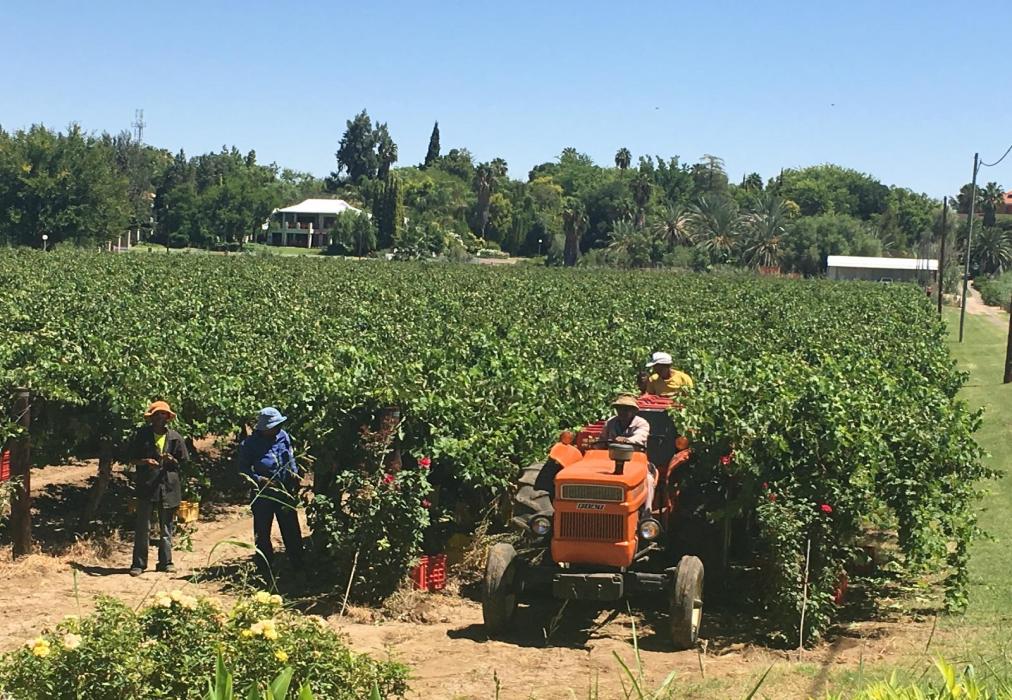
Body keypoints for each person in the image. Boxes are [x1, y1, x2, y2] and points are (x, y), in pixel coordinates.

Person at [237, 407, 304, 574]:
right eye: (274, 426)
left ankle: (299, 566)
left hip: (284, 491)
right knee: (262, 532)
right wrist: (259, 479)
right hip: (263, 495)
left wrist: (294, 474)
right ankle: (265, 569)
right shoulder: (249, 444)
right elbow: (243, 469)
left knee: (291, 530)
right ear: (264, 428)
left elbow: (290, 456)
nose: (278, 428)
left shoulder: (283, 436)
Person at [128, 400, 189, 576]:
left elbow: (184, 462)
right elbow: (131, 458)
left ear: (168, 418)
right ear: (151, 418)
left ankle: (166, 562)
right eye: (157, 415)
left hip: (168, 487)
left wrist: (172, 460)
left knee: (166, 527)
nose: (160, 418)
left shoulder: (175, 437)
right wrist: (145, 462)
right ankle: (139, 564)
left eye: (163, 414)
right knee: (143, 527)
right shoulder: (142, 436)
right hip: (147, 486)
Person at [600, 394, 657, 513]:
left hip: (636, 461)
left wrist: (626, 440)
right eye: (620, 409)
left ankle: (647, 513)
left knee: (648, 479)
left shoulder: (642, 423)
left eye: (626, 409)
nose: (622, 412)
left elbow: (640, 437)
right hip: (610, 460)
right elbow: (603, 439)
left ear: (634, 411)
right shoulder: (610, 422)